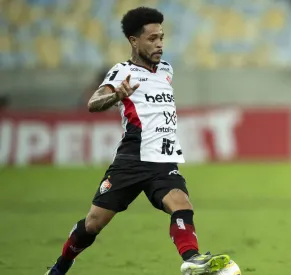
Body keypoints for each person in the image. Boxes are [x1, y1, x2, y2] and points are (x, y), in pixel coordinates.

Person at [45, 6, 230, 275]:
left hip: (163, 158)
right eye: (152, 39)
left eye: (162, 38)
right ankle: (61, 267)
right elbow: (94, 103)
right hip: (131, 159)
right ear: (134, 41)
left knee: (181, 204)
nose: (159, 45)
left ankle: (192, 259)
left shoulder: (166, 70)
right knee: (94, 223)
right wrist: (116, 96)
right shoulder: (122, 72)